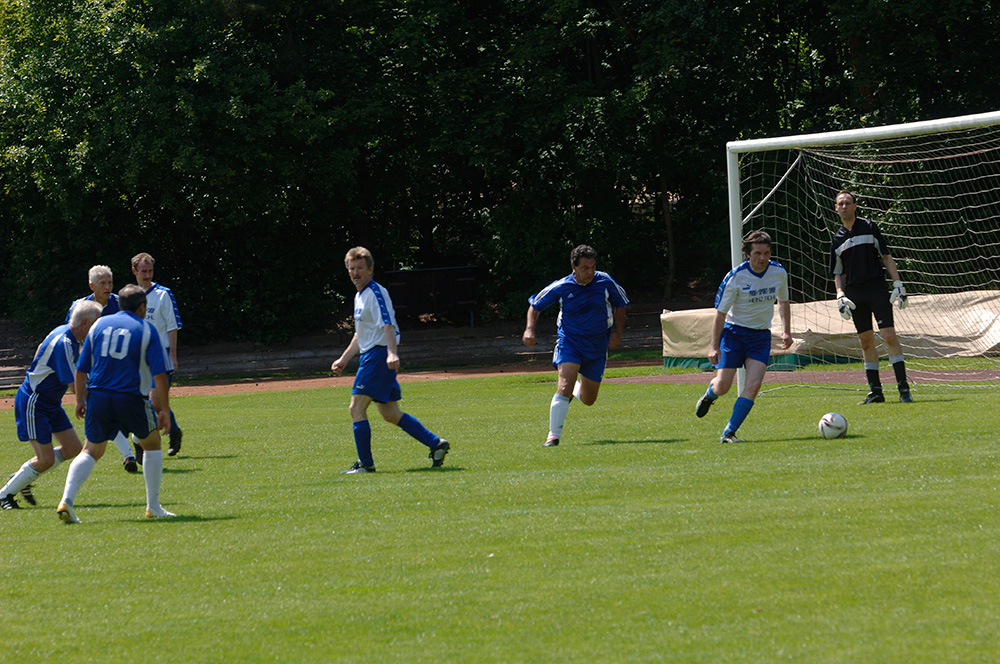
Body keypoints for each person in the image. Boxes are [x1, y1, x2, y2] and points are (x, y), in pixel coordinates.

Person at [56, 284, 175, 523]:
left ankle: (66, 500)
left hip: (98, 396)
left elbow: (81, 368)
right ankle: (153, 506)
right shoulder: (147, 329)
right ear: (142, 307)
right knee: (152, 444)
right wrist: (163, 409)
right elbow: (160, 374)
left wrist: (79, 399)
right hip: (131, 396)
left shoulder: (98, 325)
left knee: (91, 450)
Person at [331, 247, 451, 473]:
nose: (355, 272)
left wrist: (392, 352)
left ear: (370, 270)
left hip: (378, 356)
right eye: (352, 268)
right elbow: (360, 334)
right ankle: (436, 444)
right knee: (390, 414)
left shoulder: (376, 292)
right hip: (373, 355)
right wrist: (344, 359)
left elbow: (388, 324)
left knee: (356, 408)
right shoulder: (359, 296)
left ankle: (366, 464)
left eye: (360, 268)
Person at [522, 244, 629, 447]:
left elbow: (621, 305)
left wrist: (617, 333)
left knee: (589, 399)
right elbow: (535, 306)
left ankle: (575, 388)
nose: (590, 272)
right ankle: (553, 436)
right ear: (574, 268)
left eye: (593, 267)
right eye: (585, 268)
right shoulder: (562, 286)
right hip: (570, 343)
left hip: (597, 346)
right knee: (564, 384)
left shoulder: (605, 281)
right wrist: (529, 329)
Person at [0, 301, 103, 510]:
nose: (97, 330)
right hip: (35, 401)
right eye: (95, 325)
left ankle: (21, 477)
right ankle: (4, 495)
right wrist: (93, 402)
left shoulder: (66, 333)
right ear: (85, 323)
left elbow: (42, 348)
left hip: (50, 402)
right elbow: (74, 383)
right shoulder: (64, 342)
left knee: (73, 448)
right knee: (45, 459)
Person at [694, 230, 792, 443]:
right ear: (748, 254)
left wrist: (786, 331)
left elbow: (783, 302)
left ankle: (729, 432)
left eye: (766, 253)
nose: (763, 258)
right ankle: (710, 394)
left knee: (754, 385)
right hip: (734, 335)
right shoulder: (735, 277)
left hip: (760, 338)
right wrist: (713, 346)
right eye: (757, 253)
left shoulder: (778, 272)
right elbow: (720, 314)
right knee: (723, 387)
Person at [830, 190, 912, 404]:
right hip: (855, 294)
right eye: (841, 203)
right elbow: (838, 272)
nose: (844, 206)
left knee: (889, 336)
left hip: (877, 289)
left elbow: (886, 256)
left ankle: (904, 389)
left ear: (855, 206)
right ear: (836, 208)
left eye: (848, 202)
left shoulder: (869, 226)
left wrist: (898, 283)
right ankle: (876, 392)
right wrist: (840, 295)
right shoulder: (837, 239)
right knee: (866, 342)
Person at [66, 264, 137, 472]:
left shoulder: (120, 304)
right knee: (104, 411)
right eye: (103, 283)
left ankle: (136, 444)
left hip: (118, 367)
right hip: (92, 369)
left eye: (110, 282)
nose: (108, 287)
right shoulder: (80, 306)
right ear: (92, 286)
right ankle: (129, 454)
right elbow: (72, 335)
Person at [131, 252, 184, 458]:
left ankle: (141, 443)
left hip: (161, 354)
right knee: (147, 401)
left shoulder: (163, 294)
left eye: (150, 271)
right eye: (143, 271)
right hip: (138, 357)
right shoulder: (130, 295)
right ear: (134, 271)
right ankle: (174, 431)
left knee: (154, 401)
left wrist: (173, 356)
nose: (147, 275)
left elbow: (172, 326)